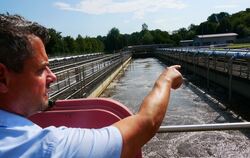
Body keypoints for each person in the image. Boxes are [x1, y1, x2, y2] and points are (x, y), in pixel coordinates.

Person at [0, 14, 183, 158]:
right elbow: (146, 122)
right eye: (41, 69)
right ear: (2, 78)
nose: (53, 76)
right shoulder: (44, 148)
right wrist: (165, 79)